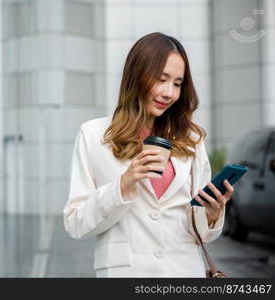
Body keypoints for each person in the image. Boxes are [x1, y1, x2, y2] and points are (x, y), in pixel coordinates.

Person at [63, 32, 234, 278]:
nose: (169, 93)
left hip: (185, 271)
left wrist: (212, 212)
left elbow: (201, 232)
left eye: (177, 83)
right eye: (161, 79)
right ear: (137, 75)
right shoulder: (93, 135)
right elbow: (75, 222)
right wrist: (123, 185)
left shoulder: (192, 140)